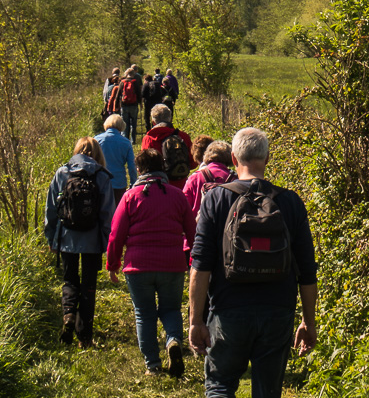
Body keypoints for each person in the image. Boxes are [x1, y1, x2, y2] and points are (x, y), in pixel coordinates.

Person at [188, 128, 318, 398]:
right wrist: (308, 322)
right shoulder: (291, 202)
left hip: (227, 311)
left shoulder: (215, 199)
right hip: (277, 312)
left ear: (233, 159)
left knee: (220, 386)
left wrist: (195, 321)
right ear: (267, 158)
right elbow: (307, 270)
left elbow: (200, 266)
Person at [107, 148, 197, 377]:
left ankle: (153, 365)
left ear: (139, 169)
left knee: (144, 313)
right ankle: (174, 340)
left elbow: (116, 234)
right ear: (163, 168)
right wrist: (195, 259)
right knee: (171, 309)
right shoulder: (177, 196)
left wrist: (113, 264)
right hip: (172, 264)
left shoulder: (130, 196)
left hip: (138, 266)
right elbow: (192, 231)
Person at [43, 136, 117, 347]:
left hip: (67, 238)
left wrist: (51, 237)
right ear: (98, 155)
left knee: (69, 280)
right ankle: (84, 337)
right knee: (89, 285)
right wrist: (108, 242)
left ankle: (68, 317)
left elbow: (51, 209)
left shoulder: (62, 173)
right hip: (92, 240)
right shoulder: (102, 176)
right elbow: (107, 213)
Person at [182, 140, 235, 215]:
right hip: (228, 225)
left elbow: (183, 206)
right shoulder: (234, 179)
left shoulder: (195, 177)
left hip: (199, 224)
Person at [141, 104, 194, 178]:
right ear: (171, 119)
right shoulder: (183, 136)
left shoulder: (148, 139)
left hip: (158, 184)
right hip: (180, 183)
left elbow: (144, 166)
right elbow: (193, 162)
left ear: (153, 122)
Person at [95, 114, 138, 204]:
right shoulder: (126, 142)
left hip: (100, 183)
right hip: (119, 183)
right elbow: (132, 166)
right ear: (121, 126)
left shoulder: (97, 140)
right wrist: (133, 184)